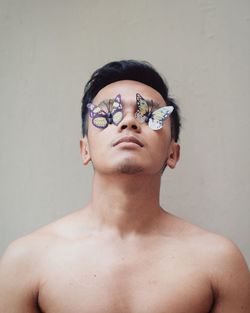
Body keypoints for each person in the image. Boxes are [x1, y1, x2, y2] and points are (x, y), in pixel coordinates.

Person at [0, 60, 249, 313]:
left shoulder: (219, 263)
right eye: (108, 114)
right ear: (85, 149)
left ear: (172, 154)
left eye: (149, 116)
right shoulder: (27, 261)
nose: (129, 121)